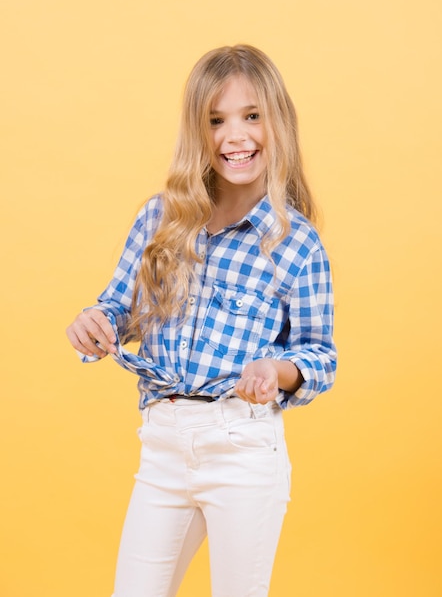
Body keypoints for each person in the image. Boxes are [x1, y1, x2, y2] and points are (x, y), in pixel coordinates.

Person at [66, 44, 337, 597]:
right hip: (163, 445)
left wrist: (276, 368)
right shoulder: (161, 218)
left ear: (277, 122)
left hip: (241, 447)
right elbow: (119, 308)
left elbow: (320, 355)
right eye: (216, 121)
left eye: (251, 116)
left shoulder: (296, 243)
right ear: (198, 132)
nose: (235, 136)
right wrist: (95, 323)